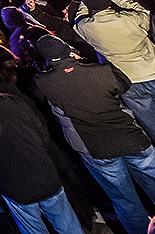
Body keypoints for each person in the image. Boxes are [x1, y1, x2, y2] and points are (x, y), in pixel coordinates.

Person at [32, 34, 155, 234]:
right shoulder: (101, 71)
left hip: (96, 149)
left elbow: (40, 97)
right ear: (69, 49)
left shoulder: (43, 82)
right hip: (131, 139)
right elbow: (124, 84)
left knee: (125, 201)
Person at [0, 64, 83, 234]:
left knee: (33, 229)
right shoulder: (13, 100)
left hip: (11, 183)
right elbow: (41, 132)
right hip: (44, 173)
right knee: (68, 225)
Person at [73, 0, 155, 139]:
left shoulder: (85, 27)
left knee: (151, 122)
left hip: (127, 81)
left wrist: (85, 0)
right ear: (109, 4)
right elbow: (143, 10)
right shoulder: (130, 18)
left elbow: (78, 19)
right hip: (152, 70)